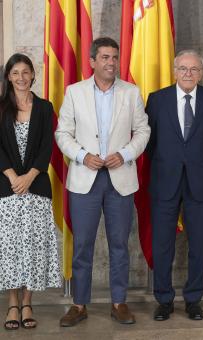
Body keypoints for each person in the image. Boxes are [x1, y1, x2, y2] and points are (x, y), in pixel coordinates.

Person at [55, 37, 150, 327]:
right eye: (105, 57)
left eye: (114, 57)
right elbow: (63, 134)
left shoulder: (131, 92)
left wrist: (125, 154)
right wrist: (83, 156)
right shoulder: (74, 92)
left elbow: (143, 131)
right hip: (85, 179)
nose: (111, 63)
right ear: (92, 61)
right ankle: (79, 304)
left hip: (120, 179)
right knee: (82, 244)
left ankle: (119, 302)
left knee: (119, 244)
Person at [146, 50, 203, 321]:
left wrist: (200, 165)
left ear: (201, 73)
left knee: (200, 243)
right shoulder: (156, 100)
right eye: (183, 69)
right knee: (162, 244)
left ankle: (194, 300)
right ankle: (164, 299)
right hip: (164, 181)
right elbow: (150, 141)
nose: (188, 74)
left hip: (199, 182)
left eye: (193, 69)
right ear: (174, 70)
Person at [0, 53, 61, 331]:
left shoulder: (45, 108)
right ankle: (12, 303)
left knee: (33, 247)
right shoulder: (0, 108)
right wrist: (14, 177)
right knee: (10, 248)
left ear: (33, 75)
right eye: (15, 73)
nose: (21, 78)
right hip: (7, 188)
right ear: (8, 78)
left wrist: (30, 176)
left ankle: (27, 303)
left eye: (26, 72)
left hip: (37, 186)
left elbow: (47, 147)